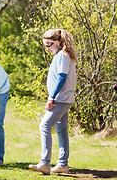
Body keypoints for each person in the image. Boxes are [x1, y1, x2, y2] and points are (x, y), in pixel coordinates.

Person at [28, 29, 77, 174]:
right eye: (46, 45)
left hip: (61, 99)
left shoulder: (63, 56)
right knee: (61, 130)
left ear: (59, 42)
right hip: (62, 99)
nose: (47, 48)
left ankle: (45, 163)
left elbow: (62, 78)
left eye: (50, 45)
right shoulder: (61, 55)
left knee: (44, 126)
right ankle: (63, 164)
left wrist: (52, 97)